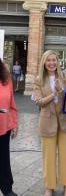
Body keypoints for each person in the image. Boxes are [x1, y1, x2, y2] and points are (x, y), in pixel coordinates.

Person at [33, 50, 66, 196]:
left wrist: (63, 91)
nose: (52, 63)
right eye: (48, 60)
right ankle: (49, 186)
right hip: (47, 122)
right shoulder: (39, 79)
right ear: (44, 63)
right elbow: (39, 102)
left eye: (54, 60)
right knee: (48, 156)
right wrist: (54, 93)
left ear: (58, 62)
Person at [0, 58, 18, 196]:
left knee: (3, 159)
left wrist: (15, 124)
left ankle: (7, 188)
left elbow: (12, 105)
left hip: (3, 127)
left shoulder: (6, 81)